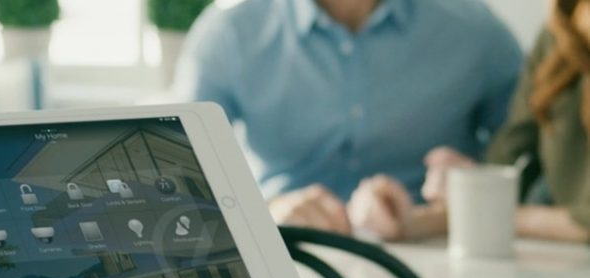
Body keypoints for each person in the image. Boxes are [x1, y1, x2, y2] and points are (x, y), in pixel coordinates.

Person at [174, 0, 522, 234]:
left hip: (432, 251)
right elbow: (176, 170)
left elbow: (532, 162)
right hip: (288, 248)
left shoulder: (475, 31)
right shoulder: (231, 33)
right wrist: (266, 211)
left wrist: (469, 189)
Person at [348, 0, 590, 243]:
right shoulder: (560, 32)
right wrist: (413, 219)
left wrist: (476, 206)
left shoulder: (476, 30)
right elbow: (507, 160)